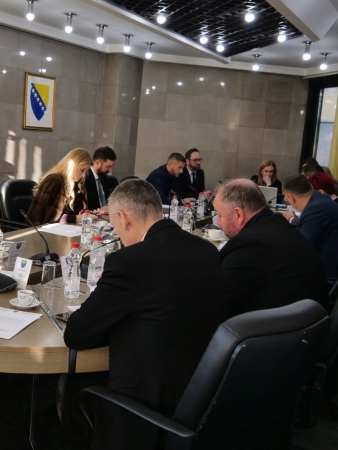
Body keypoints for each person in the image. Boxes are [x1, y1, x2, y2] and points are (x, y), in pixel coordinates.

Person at [64, 179, 225, 449]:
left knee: (72, 388)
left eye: (115, 226)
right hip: (201, 391)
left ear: (124, 218)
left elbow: (77, 334)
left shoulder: (129, 262)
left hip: (146, 403)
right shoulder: (207, 250)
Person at [213, 179, 328, 316]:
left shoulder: (249, 245)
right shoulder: (278, 226)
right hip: (311, 320)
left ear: (238, 214)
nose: (218, 222)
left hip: (283, 326)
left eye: (219, 215)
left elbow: (216, 304)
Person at [281, 174, 338, 280]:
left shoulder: (316, 209)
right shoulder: (319, 200)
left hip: (330, 273)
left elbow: (300, 248)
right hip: (333, 263)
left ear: (291, 198)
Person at [27, 148, 99, 225]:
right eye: (82, 170)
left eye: (86, 171)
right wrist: (79, 218)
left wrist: (90, 214)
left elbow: (76, 212)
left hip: (66, 229)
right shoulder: (55, 181)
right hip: (40, 229)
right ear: (72, 166)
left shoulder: (77, 186)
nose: (84, 175)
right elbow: (51, 219)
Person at [85, 146, 116, 210]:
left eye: (111, 166)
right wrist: (99, 210)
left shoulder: (104, 178)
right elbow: (84, 209)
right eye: (108, 166)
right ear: (97, 163)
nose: (110, 170)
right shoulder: (85, 179)